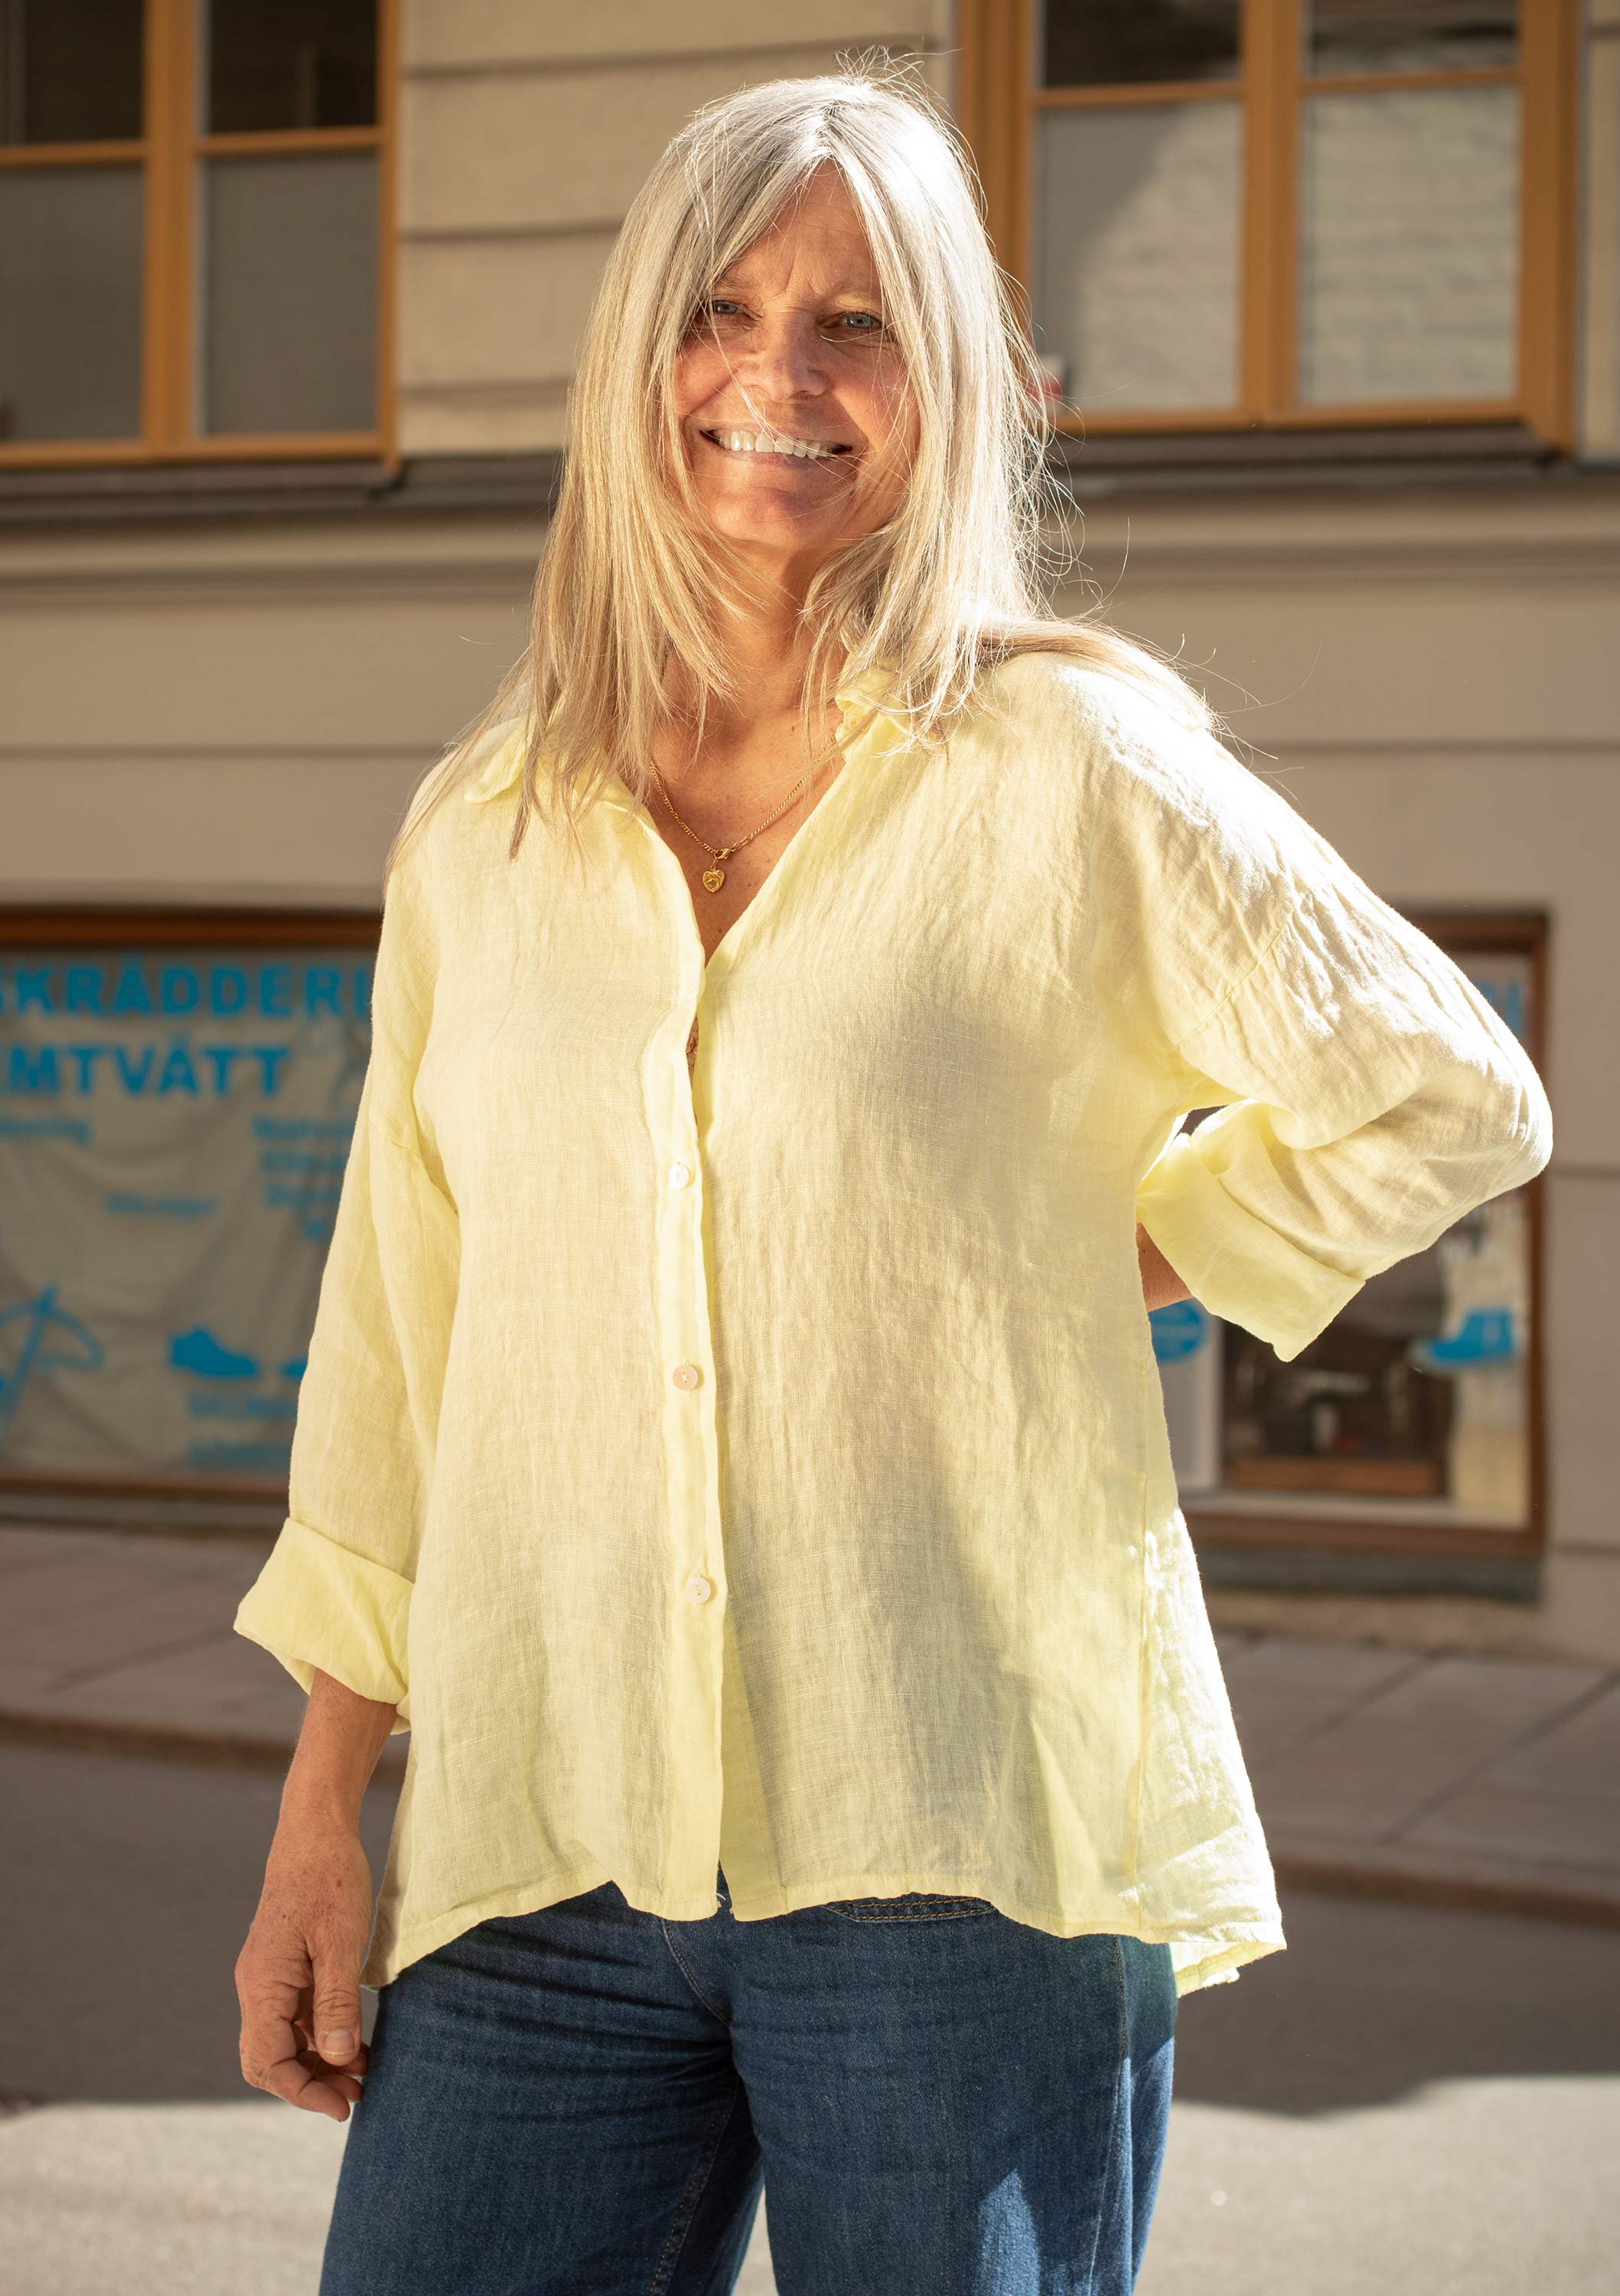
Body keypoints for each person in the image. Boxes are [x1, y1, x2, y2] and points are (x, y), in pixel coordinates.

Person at [231, 60, 1553, 2296]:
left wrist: (1133, 1242)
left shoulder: (1069, 762)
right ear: (639, 358)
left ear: (949, 382)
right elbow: (396, 1345)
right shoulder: (490, 822)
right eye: (722, 310)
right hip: (538, 1853)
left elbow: (1446, 1089)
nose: (779, 375)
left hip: (961, 1849)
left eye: (854, 322)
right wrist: (316, 1818)